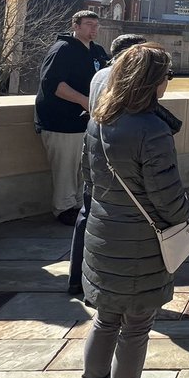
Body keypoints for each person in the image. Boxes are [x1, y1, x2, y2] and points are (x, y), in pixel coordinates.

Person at [77, 43, 189, 378]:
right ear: (151, 82)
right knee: (135, 328)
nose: (167, 83)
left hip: (104, 234)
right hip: (140, 243)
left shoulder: (99, 121)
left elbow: (88, 179)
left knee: (105, 320)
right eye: (165, 76)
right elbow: (167, 198)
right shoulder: (151, 129)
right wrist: (186, 218)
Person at [66, 33, 150, 297]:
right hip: (119, 156)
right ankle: (108, 284)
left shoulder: (99, 75)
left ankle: (77, 279)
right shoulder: (126, 78)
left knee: (87, 213)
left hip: (94, 150)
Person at [36, 10, 110, 225]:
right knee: (65, 168)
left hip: (87, 122)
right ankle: (64, 208)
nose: (93, 29)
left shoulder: (97, 51)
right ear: (75, 26)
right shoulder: (63, 49)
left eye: (96, 25)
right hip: (61, 121)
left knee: (83, 167)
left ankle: (79, 205)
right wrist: (84, 100)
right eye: (88, 24)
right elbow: (53, 84)